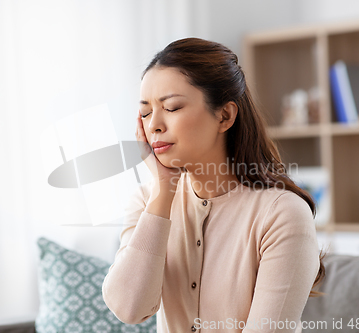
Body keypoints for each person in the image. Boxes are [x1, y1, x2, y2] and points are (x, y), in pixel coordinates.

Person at [102, 37, 326, 333]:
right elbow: (129, 309)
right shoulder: (147, 201)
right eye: (145, 112)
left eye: (171, 107)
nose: (153, 124)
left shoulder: (281, 214)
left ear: (225, 115)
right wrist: (163, 194)